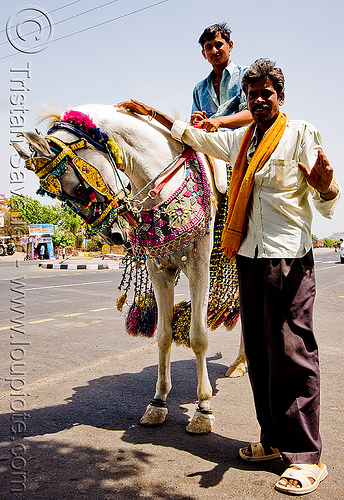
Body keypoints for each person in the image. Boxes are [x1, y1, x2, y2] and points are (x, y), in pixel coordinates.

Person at [117, 58, 341, 495]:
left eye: (266, 94)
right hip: (248, 256)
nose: (258, 100)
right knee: (258, 351)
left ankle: (306, 457)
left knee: (293, 352)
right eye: (253, 93)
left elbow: (327, 197)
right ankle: (273, 441)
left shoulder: (301, 133)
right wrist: (154, 115)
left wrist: (327, 187)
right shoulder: (241, 139)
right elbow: (195, 135)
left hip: (287, 258)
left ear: (280, 96)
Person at [191, 23, 252, 131]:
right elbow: (196, 125)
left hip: (243, 142)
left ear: (230, 46)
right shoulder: (199, 88)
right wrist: (195, 122)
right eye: (209, 47)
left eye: (218, 45)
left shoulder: (246, 75)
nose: (214, 51)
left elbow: (251, 114)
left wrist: (218, 121)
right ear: (204, 54)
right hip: (210, 144)